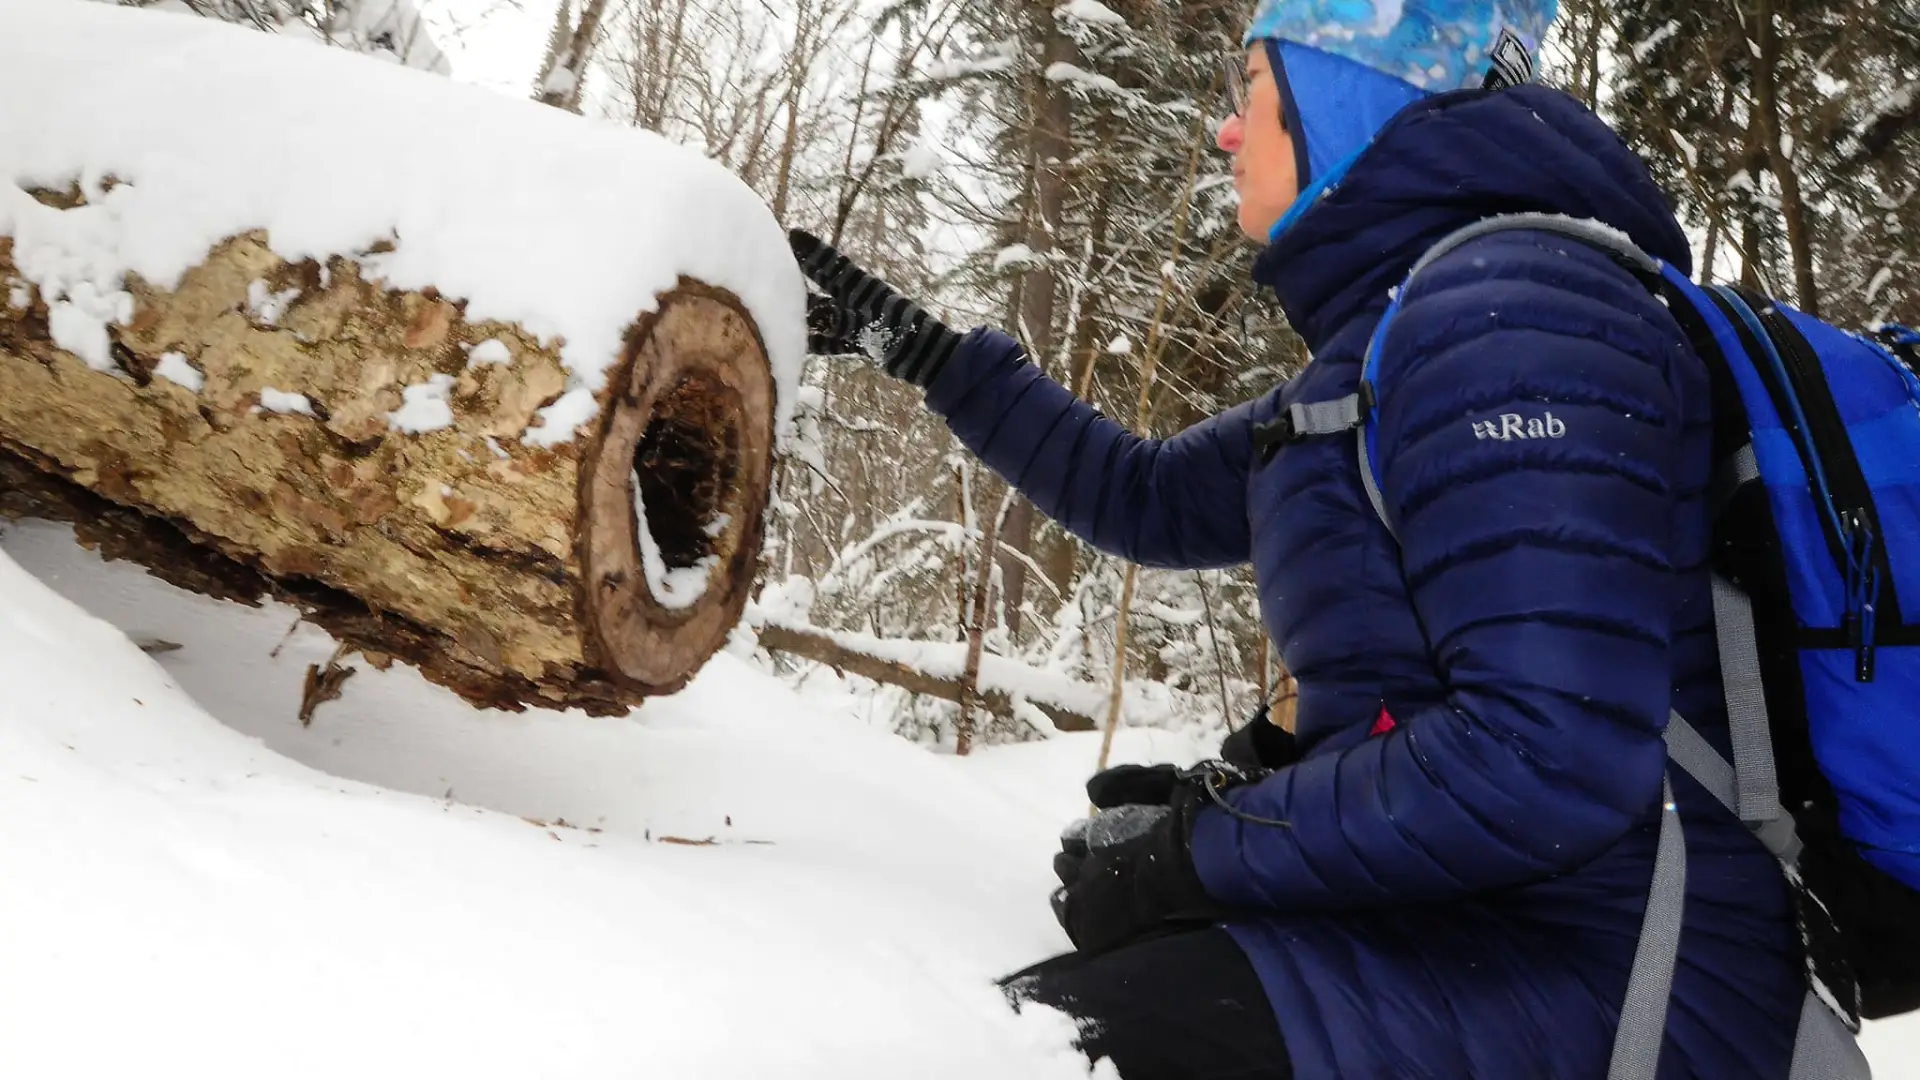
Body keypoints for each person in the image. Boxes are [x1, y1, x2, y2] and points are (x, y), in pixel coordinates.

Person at [788, 0, 1820, 1075]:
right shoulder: (1398, 343)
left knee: (1005, 1049)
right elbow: (1143, 496)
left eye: (1254, 91)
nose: (1227, 131)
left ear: (1344, 101)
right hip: (1484, 925)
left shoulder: (1514, 320)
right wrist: (924, 355)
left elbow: (1542, 759)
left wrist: (1206, 848)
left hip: (1644, 985)